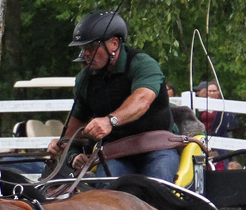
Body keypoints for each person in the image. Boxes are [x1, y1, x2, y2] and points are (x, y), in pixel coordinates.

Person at [53, 9, 180, 181]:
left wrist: (110, 121)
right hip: (115, 153)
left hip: (158, 148)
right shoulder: (84, 79)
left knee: (158, 186)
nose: (86, 53)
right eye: (83, 48)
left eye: (92, 46)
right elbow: (72, 132)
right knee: (105, 190)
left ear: (113, 43)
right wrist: (69, 153)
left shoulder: (143, 64)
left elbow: (142, 99)